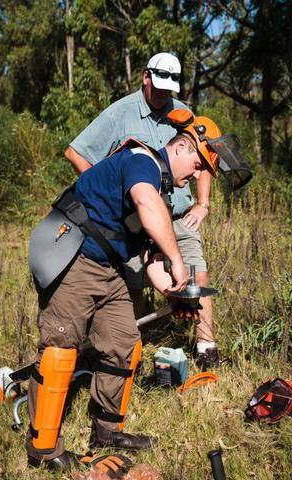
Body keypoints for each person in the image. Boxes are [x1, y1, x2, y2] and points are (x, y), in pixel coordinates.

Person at [26, 112, 222, 473]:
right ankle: (43, 448)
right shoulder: (141, 161)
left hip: (108, 267)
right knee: (61, 347)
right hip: (74, 255)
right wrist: (178, 261)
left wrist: (174, 293)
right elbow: (148, 208)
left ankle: (107, 430)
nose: (196, 176)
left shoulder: (158, 184)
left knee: (124, 342)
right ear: (181, 146)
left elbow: (147, 253)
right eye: (197, 165)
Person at [65, 52, 219, 369]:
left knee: (195, 274)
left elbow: (206, 160)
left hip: (178, 215)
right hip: (136, 221)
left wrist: (203, 204)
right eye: (159, 86)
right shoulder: (120, 113)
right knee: (132, 284)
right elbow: (75, 152)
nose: (163, 95)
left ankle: (206, 347)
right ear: (145, 77)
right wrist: (105, 194)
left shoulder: (184, 113)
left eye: (169, 89)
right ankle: (130, 349)